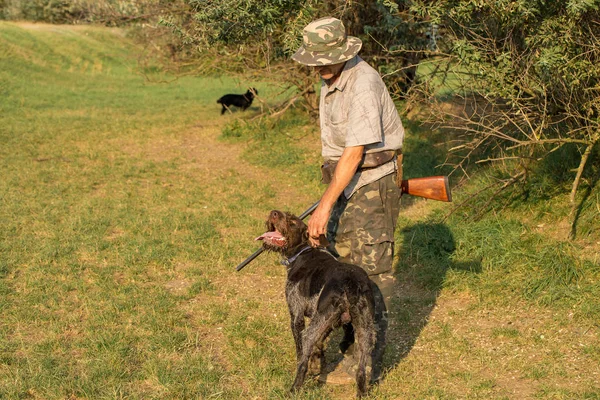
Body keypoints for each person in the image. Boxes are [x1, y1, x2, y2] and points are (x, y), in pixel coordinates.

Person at [292, 17, 405, 384]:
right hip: (344, 182)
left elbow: (355, 152)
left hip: (371, 183)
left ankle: (369, 357)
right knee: (343, 262)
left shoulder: (364, 83)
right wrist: (330, 194)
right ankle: (348, 339)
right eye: (315, 60)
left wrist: (323, 207)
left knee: (372, 269)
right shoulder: (331, 78)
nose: (319, 66)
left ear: (343, 52)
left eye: (325, 58)